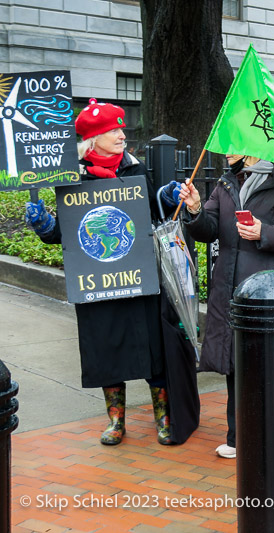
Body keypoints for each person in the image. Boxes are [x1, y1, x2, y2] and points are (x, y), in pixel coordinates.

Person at [25, 99, 198, 446]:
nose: (122, 135)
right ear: (93, 140)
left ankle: (163, 417)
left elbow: (154, 213)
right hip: (98, 282)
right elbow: (66, 233)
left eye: (120, 129)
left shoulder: (136, 170)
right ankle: (116, 422)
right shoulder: (73, 177)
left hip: (140, 278)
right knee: (106, 350)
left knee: (154, 349)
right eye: (113, 130)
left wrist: (165, 196)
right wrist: (45, 226)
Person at [178, 155, 274, 458]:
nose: (227, 150)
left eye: (235, 142)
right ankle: (237, 437)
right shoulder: (226, 183)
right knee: (234, 365)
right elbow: (207, 230)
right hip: (230, 291)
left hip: (270, 296)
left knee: (270, 366)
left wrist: (264, 232)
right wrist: (195, 208)